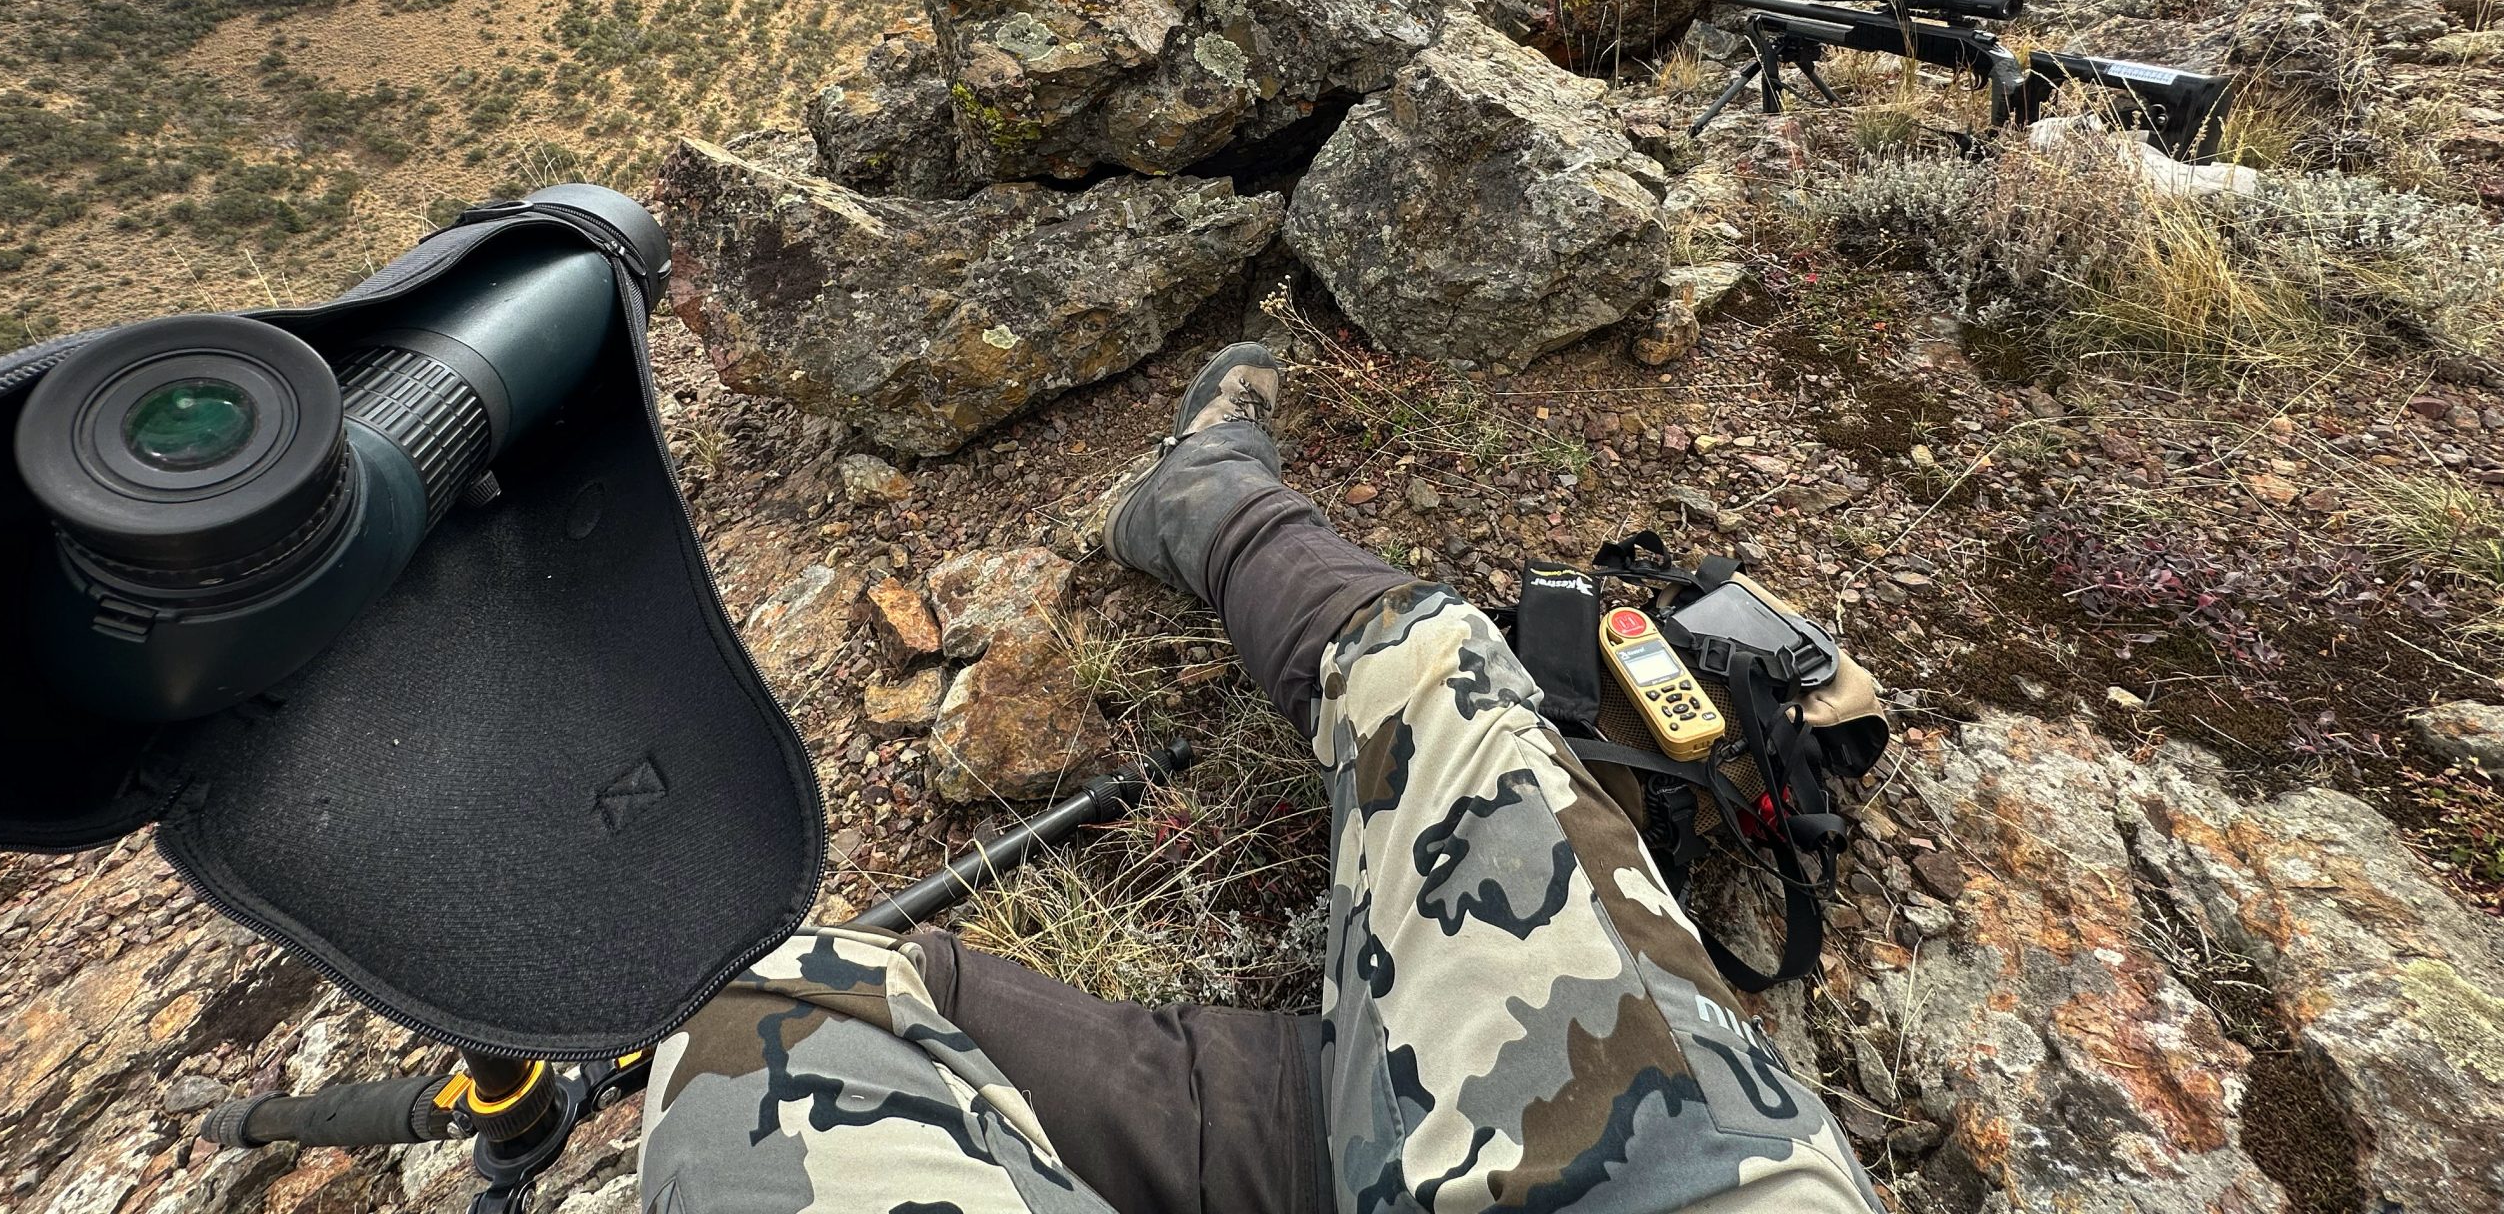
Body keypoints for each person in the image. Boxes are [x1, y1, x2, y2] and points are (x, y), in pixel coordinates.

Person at [637, 343, 1880, 1214]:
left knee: (756, 1013)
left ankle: (1213, 497)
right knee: (1436, 666)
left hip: (1643, 1166)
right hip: (1622, 1160)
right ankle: (1209, 499)